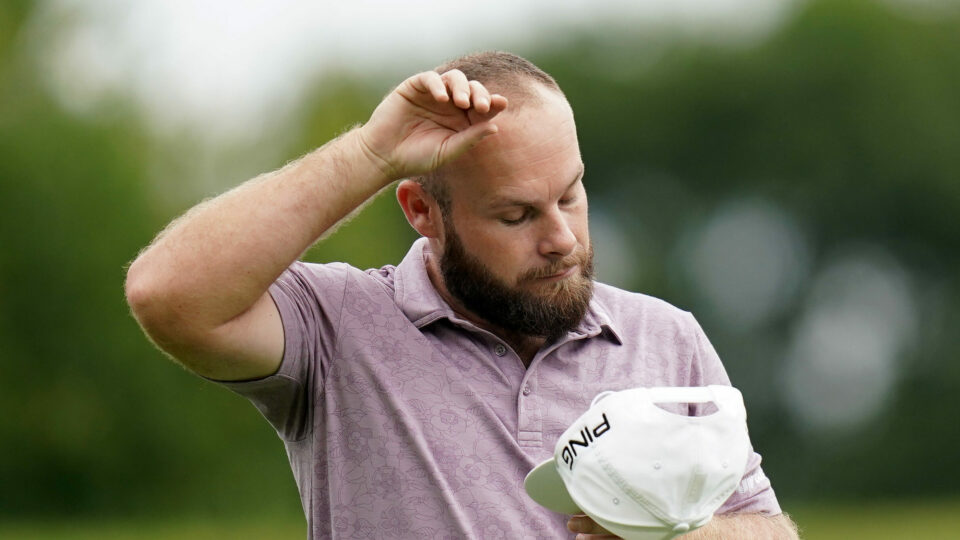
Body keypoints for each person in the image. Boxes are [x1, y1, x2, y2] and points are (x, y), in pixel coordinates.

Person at [125, 51, 798, 539]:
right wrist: (370, 154)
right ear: (421, 210)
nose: (562, 238)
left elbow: (766, 529)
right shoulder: (337, 328)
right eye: (516, 216)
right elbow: (168, 294)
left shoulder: (666, 338)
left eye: (571, 194)